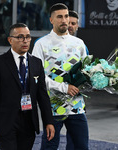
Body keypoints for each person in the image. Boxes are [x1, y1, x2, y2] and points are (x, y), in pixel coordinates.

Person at [0, 23, 55, 150]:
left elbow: (42, 96)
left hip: (29, 122)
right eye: (20, 37)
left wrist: (49, 122)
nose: (25, 41)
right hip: (7, 122)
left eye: (27, 37)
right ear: (10, 40)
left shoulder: (36, 63)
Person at [32, 3, 89, 150]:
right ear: (51, 20)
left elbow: (86, 72)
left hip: (77, 106)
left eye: (66, 16)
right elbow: (36, 76)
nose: (64, 20)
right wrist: (64, 87)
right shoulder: (41, 44)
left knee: (82, 147)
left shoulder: (79, 44)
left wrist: (93, 82)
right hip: (52, 106)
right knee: (49, 147)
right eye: (59, 17)